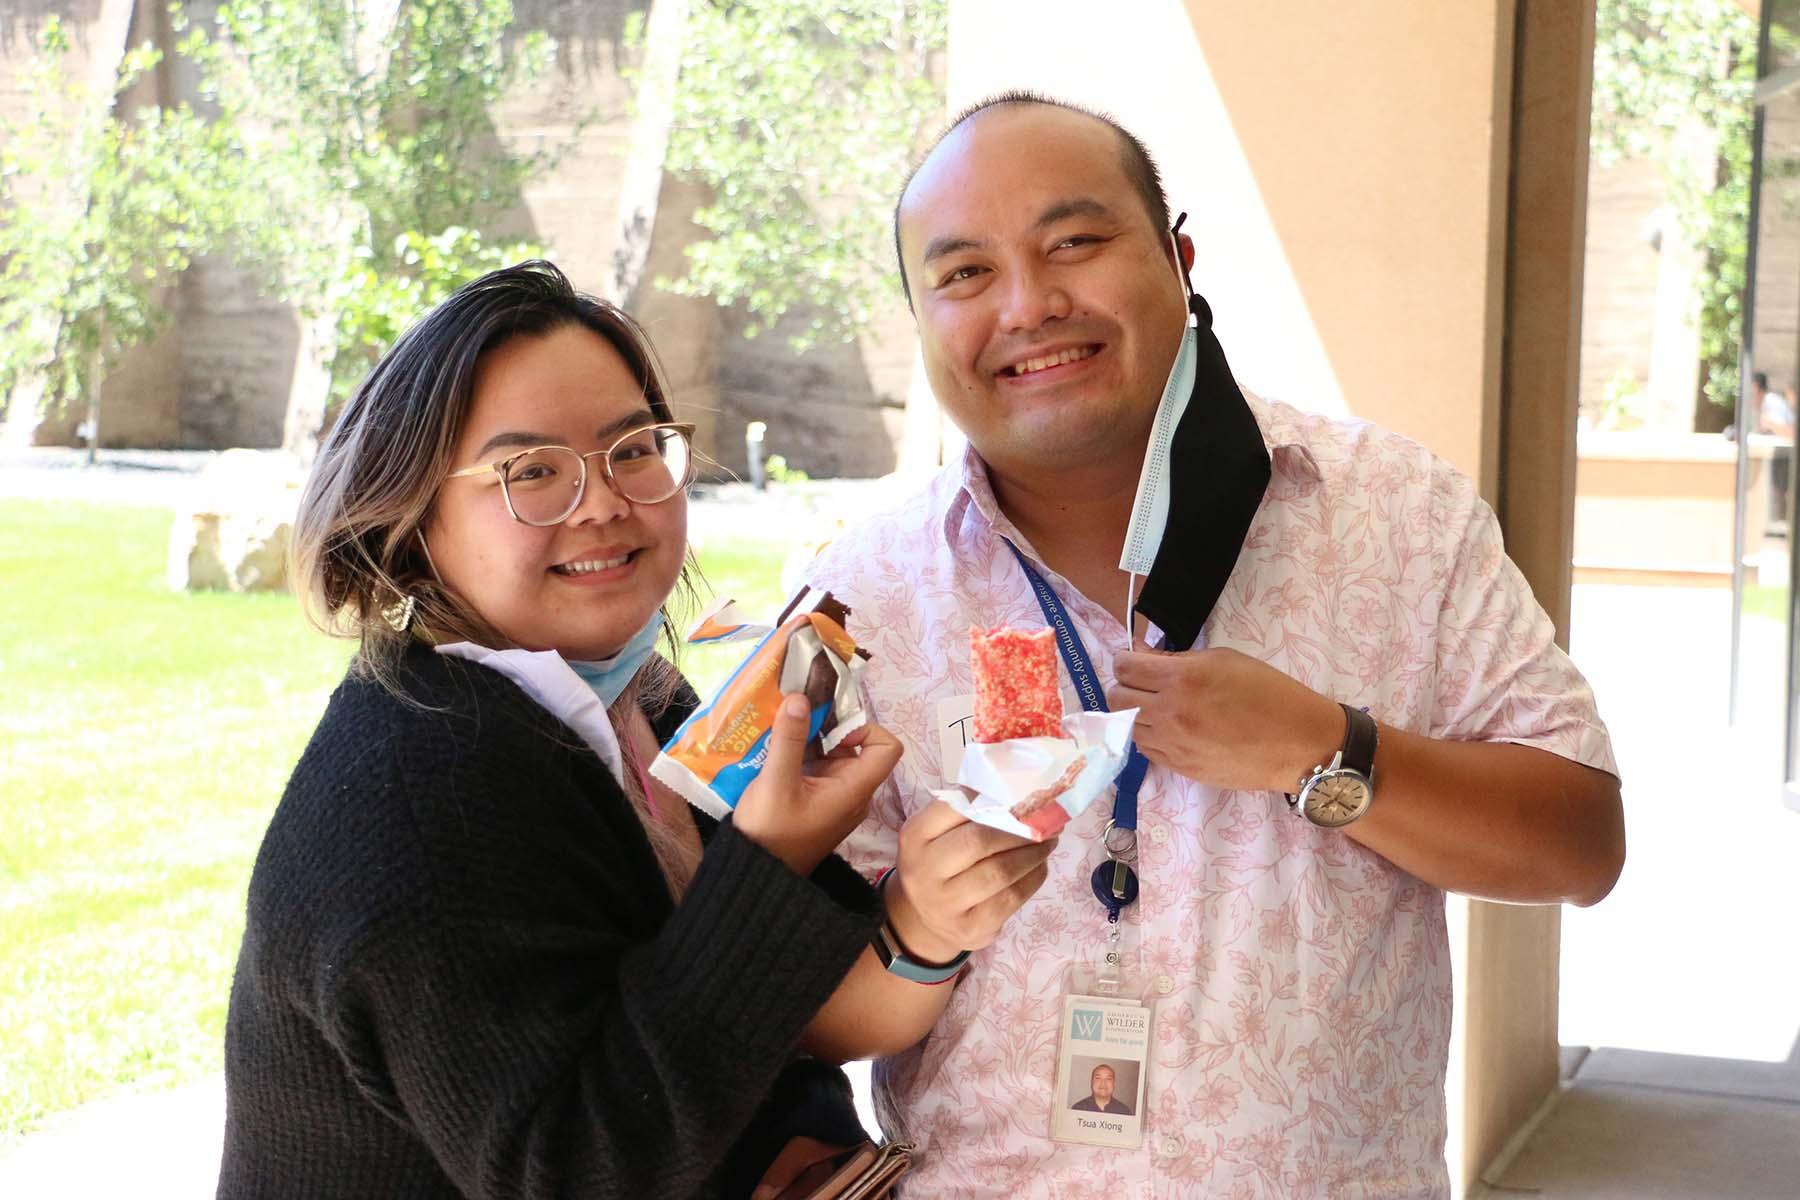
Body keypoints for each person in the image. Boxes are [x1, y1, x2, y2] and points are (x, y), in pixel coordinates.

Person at [801, 94, 1625, 1197]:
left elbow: (1582, 845)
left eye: (1075, 243)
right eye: (963, 275)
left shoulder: (1391, 510)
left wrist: (1328, 754)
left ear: (1179, 258)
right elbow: (793, 1003)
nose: (1030, 305)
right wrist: (916, 929)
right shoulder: (863, 596)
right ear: (919, 316)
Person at [216, 261, 906, 1199]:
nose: (603, 502)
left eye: (633, 450)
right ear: (413, 521)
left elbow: (774, 1009)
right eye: (530, 472)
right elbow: (575, 1170)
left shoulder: (636, 698)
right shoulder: (417, 801)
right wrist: (767, 863)